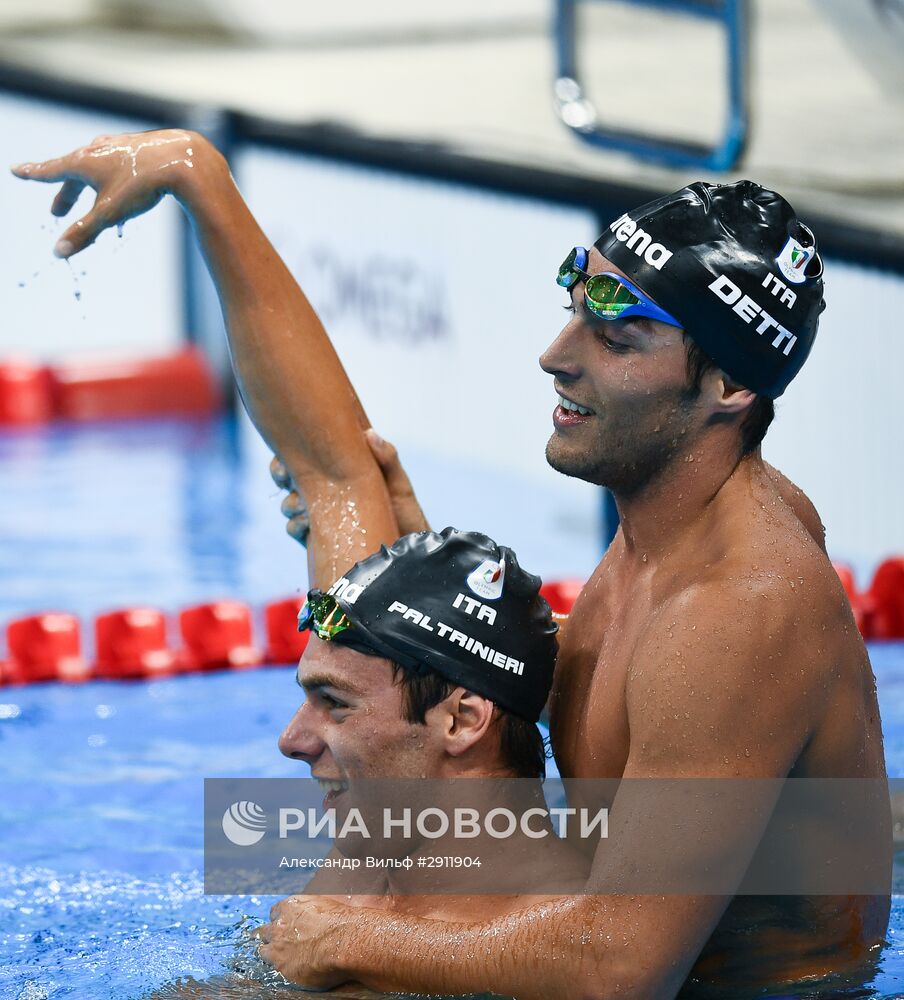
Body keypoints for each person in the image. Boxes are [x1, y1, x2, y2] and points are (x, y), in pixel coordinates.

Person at [14, 134, 891, 999]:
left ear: (731, 388)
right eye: (576, 301)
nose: (559, 352)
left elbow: (622, 967)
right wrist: (201, 181)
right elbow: (335, 468)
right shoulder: (674, 526)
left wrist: (362, 940)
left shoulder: (739, 609)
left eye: (617, 338)